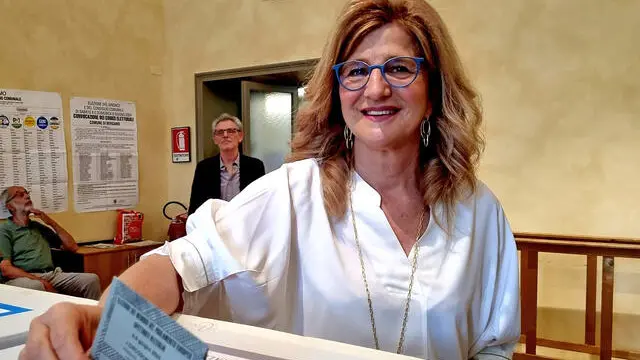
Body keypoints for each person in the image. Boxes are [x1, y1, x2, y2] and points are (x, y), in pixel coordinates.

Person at [20, 0, 520, 359]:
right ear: (337, 91)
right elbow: (180, 264)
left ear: (433, 89)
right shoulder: (291, 192)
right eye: (356, 70)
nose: (376, 87)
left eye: (399, 67)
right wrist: (99, 317)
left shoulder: (479, 211)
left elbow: (493, 346)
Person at [0, 186, 101, 300]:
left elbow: (72, 247)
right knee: (37, 286)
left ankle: (93, 316)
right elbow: (6, 269)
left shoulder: (37, 227)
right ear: (10, 206)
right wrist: (40, 281)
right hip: (22, 278)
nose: (27, 196)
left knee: (91, 280)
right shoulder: (5, 230)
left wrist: (50, 222)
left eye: (26, 193)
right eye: (20, 195)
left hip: (51, 274)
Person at [187, 113, 266, 214]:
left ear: (240, 136)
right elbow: (195, 207)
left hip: (246, 226)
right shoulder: (204, 168)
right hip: (214, 227)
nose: (225, 135)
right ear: (215, 139)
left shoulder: (255, 166)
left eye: (231, 131)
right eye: (220, 132)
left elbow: (262, 204)